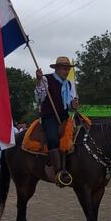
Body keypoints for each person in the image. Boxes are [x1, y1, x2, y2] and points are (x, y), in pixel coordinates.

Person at [35, 56, 78, 185]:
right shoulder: (46, 80)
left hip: (64, 116)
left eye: (68, 69)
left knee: (78, 134)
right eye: (65, 69)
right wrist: (38, 81)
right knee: (53, 138)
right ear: (58, 69)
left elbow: (69, 103)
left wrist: (73, 105)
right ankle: (58, 171)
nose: (66, 72)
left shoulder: (69, 84)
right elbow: (39, 98)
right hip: (49, 116)